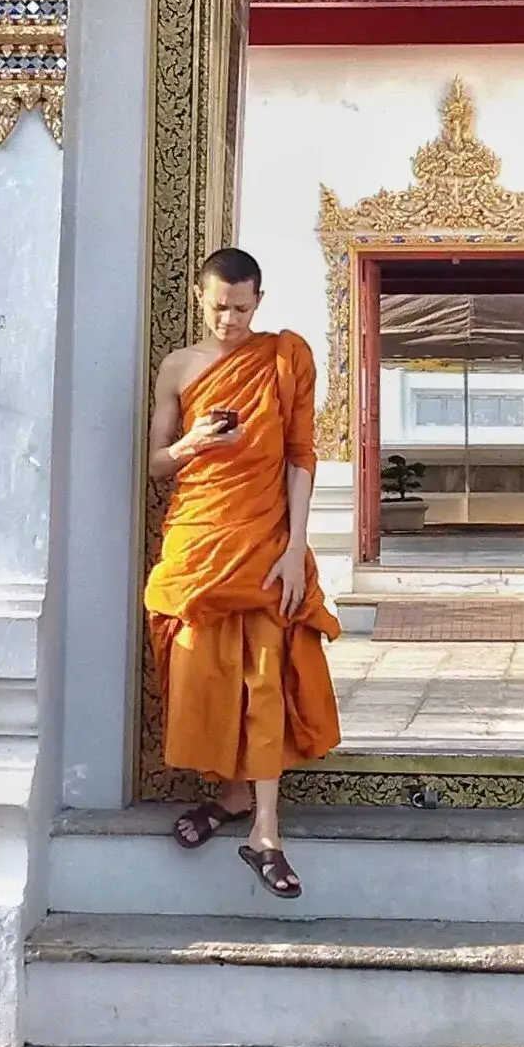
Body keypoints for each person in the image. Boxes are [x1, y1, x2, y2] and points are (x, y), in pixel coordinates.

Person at [145, 246, 341, 898]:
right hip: (199, 540)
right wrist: (193, 442)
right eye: (218, 307)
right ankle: (229, 797)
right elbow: (156, 463)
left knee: (264, 680)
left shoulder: (284, 359)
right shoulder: (178, 367)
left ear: (258, 301)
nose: (229, 319)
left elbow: (299, 455)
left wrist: (294, 547)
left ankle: (265, 831)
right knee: (204, 672)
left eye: (241, 307)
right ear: (200, 301)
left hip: (264, 541)